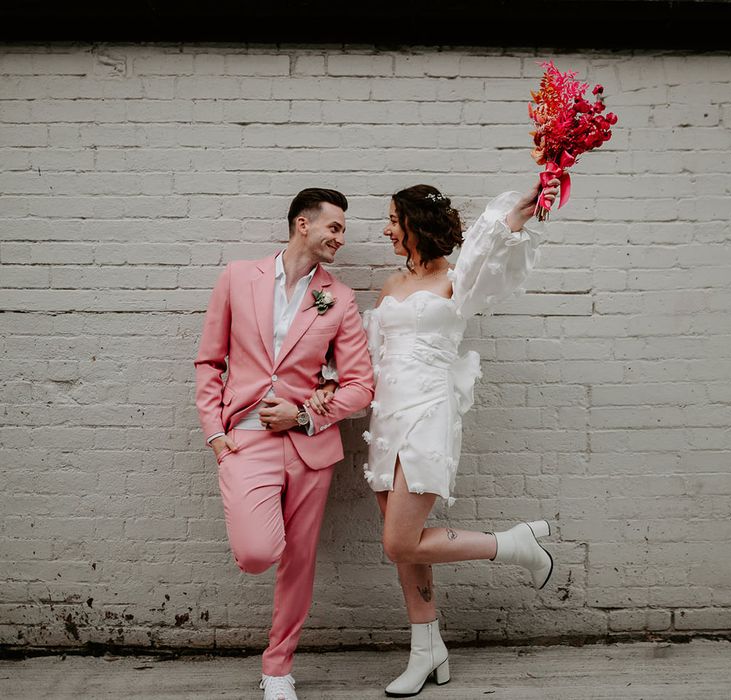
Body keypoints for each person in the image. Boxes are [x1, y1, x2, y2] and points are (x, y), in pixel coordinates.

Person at [308, 178, 561, 697]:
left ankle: (514, 545)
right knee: (408, 551)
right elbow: (367, 355)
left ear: (415, 225)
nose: (386, 230)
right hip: (387, 417)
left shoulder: (459, 279)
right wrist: (330, 380)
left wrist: (530, 198)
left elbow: (495, 239)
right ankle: (428, 652)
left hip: (429, 412)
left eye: (393, 221)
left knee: (399, 540)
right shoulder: (391, 286)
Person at [194, 188, 374, 700]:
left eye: (343, 229)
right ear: (303, 224)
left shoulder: (337, 298)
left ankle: (278, 670)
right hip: (245, 440)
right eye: (335, 227)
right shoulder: (237, 277)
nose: (342, 237)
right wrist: (216, 437)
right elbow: (209, 362)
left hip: (309, 448)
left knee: (300, 560)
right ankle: (236, 472)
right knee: (257, 552)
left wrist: (303, 414)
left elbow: (361, 384)